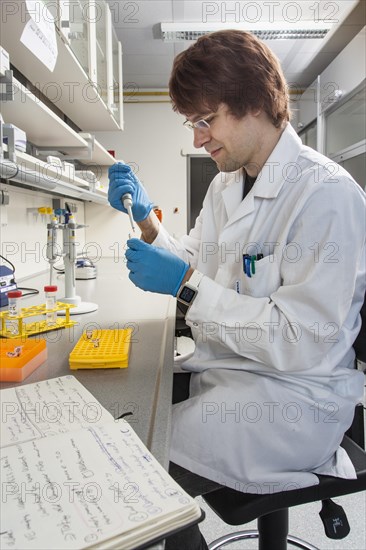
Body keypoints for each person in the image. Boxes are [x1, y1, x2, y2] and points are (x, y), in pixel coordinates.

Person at [108, 30, 366, 550]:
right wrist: (147, 221)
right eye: (193, 124)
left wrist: (185, 285)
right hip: (232, 371)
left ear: (253, 104)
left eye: (206, 120)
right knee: (132, 419)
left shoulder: (327, 196)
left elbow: (301, 338)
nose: (198, 138)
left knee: (133, 473)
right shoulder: (225, 184)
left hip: (292, 400)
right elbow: (198, 267)